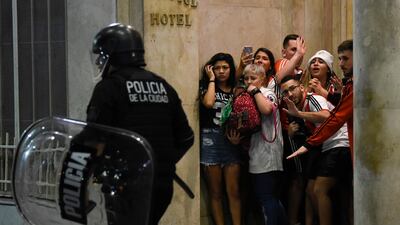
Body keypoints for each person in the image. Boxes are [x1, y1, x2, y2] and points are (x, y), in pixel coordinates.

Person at [87, 23, 194, 225]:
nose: (100, 62)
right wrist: (158, 163)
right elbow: (186, 137)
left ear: (113, 55)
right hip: (162, 186)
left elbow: (93, 141)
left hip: (124, 185)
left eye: (102, 56)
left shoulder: (108, 88)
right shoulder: (163, 86)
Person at [287, 39, 354, 225]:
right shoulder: (343, 86)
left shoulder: (319, 93)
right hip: (328, 145)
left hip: (338, 144)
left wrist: (308, 142)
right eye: (339, 59)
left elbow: (332, 117)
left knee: (322, 190)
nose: (342, 64)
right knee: (315, 190)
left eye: (345, 59)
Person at [199, 53, 242, 225]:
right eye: (217, 68)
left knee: (234, 191)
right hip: (210, 141)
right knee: (215, 192)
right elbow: (209, 103)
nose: (221, 71)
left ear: (231, 69)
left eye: (225, 67)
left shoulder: (236, 90)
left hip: (231, 141)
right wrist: (211, 80)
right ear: (211, 69)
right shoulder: (207, 87)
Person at [242, 63, 286, 225]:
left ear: (263, 79)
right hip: (255, 153)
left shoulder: (267, 93)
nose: (249, 81)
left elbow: (267, 109)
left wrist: (254, 90)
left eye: (253, 78)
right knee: (270, 197)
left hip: (268, 156)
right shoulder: (248, 95)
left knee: (266, 197)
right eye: (246, 78)